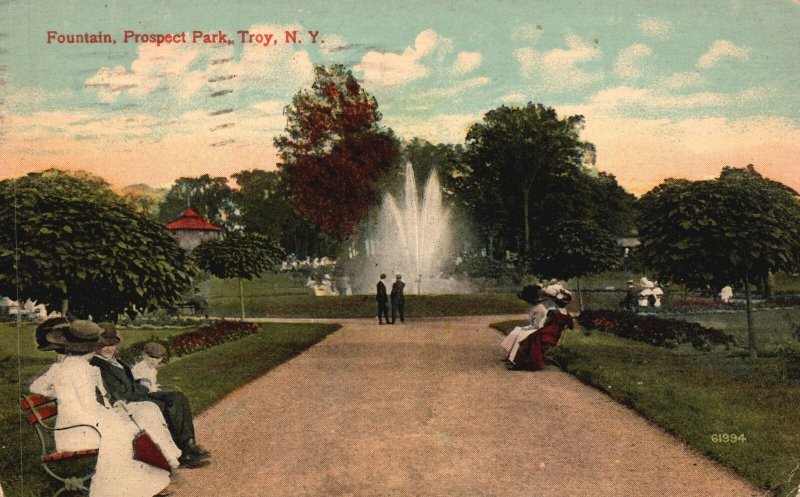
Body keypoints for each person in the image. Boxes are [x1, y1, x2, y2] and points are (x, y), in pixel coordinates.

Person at [29, 319, 176, 497]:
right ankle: (124, 491)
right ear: (89, 349)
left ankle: (133, 488)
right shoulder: (80, 370)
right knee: (124, 431)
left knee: (127, 428)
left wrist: (58, 391)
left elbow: (35, 387)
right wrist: (112, 416)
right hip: (77, 430)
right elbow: (89, 407)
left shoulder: (62, 368)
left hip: (73, 425)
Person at [90, 323, 209, 469]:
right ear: (96, 345)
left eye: (112, 344)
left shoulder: (113, 361)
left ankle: (188, 444)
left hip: (138, 394)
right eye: (104, 345)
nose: (109, 348)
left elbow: (130, 383)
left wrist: (142, 386)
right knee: (166, 405)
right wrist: (144, 386)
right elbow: (123, 393)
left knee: (177, 397)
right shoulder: (100, 365)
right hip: (130, 401)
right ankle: (183, 453)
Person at [508, 309, 573, 370]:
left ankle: (521, 363)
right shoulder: (568, 315)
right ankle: (524, 361)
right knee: (533, 338)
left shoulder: (554, 312)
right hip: (555, 335)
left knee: (532, 338)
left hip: (547, 332)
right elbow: (571, 327)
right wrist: (564, 326)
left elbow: (546, 323)